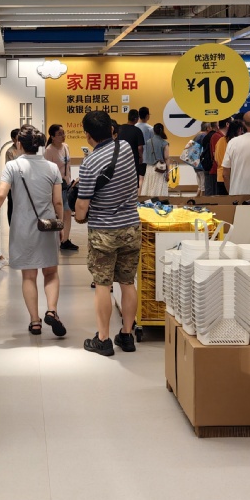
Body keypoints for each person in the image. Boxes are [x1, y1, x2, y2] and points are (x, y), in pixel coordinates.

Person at [0, 125, 66, 337]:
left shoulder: (12, 166)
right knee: (51, 272)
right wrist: (61, 224)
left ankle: (35, 322)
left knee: (29, 275)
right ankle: (52, 310)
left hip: (23, 227)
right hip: (47, 226)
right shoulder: (52, 168)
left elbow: (0, 196)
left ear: (19, 143)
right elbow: (57, 201)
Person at [75, 110, 141, 357]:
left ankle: (103, 339)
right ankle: (127, 335)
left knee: (103, 285)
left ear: (88, 135)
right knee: (127, 282)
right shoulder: (125, 148)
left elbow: (82, 207)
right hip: (131, 226)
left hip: (104, 230)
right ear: (112, 129)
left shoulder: (89, 163)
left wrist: (79, 217)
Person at [44, 123, 78, 252]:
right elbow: (47, 171)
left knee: (68, 213)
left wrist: (70, 180)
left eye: (63, 133)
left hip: (67, 185)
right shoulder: (49, 150)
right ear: (52, 137)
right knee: (57, 214)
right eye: (59, 134)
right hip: (56, 186)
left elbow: (68, 166)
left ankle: (65, 240)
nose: (63, 136)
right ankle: (55, 239)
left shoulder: (66, 147)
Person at [141, 122, 170, 198]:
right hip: (159, 169)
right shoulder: (164, 143)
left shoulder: (148, 142)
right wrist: (168, 172)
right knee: (158, 189)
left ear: (153, 131)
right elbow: (166, 158)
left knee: (149, 187)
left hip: (149, 168)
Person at [213, 118, 239, 196]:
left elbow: (216, 158)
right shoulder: (233, 142)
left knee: (222, 201)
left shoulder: (220, 140)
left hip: (219, 175)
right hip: (230, 176)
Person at [116, 108, 145, 177]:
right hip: (133, 159)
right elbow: (140, 147)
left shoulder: (120, 128)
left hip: (120, 157)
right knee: (133, 177)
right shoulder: (137, 131)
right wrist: (141, 157)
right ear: (136, 119)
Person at [3, 128, 21, 223]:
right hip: (13, 184)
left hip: (23, 183)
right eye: (18, 138)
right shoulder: (10, 151)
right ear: (13, 139)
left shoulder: (24, 149)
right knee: (12, 205)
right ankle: (12, 225)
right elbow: (10, 168)